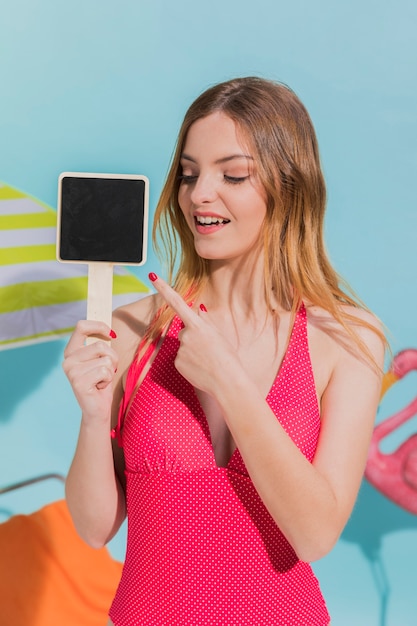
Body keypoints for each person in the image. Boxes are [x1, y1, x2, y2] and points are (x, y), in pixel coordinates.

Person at [63, 76, 385, 625]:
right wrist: (94, 418)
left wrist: (229, 382)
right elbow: (95, 528)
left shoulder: (345, 337)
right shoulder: (131, 329)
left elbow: (314, 534)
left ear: (289, 186)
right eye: (188, 174)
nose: (199, 194)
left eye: (232, 174)